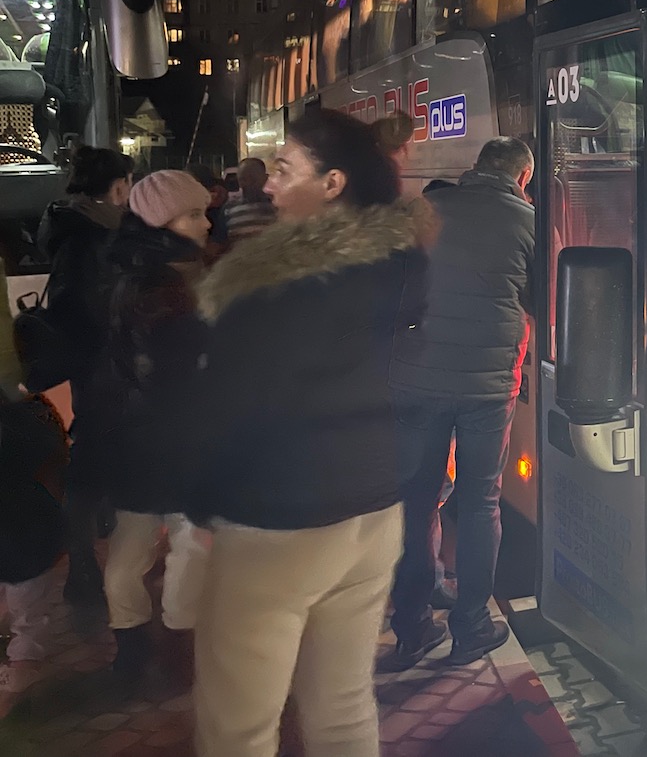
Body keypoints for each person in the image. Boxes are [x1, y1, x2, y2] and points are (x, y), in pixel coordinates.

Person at [185, 109, 428, 757]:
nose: (267, 183)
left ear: (332, 183)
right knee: (343, 705)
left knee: (239, 723)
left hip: (278, 519)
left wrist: (199, 496)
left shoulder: (270, 284)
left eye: (285, 168)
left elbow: (227, 404)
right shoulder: (394, 263)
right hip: (373, 508)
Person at [384, 137, 534, 671]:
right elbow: (540, 301)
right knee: (479, 503)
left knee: (417, 497)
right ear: (523, 177)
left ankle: (412, 625)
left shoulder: (427, 209)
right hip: (487, 389)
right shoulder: (529, 222)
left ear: (477, 169)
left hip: (415, 377)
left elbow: (395, 284)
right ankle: (471, 626)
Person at [100, 171, 214, 683]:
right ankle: (175, 646)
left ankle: (135, 644)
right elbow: (182, 365)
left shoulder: (146, 272)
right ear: (159, 221)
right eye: (193, 214)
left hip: (138, 438)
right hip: (175, 435)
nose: (206, 222)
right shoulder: (161, 284)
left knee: (133, 548)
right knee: (189, 542)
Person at [31, 145, 133, 605]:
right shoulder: (92, 237)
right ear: (116, 187)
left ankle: (91, 548)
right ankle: (83, 568)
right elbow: (94, 310)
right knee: (92, 463)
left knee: (94, 457)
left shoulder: (73, 226)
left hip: (92, 365)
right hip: (100, 365)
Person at [0, 281, 68, 710]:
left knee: (26, 602)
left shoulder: (19, 421)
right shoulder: (27, 415)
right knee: (28, 605)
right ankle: (24, 662)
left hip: (22, 537)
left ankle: (24, 666)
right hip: (29, 536)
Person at [222, 157, 276, 247]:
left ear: (266, 178)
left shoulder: (278, 206)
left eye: (253, 178)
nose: (248, 183)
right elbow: (220, 243)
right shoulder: (229, 209)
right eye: (242, 179)